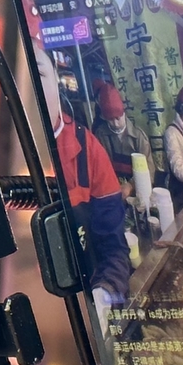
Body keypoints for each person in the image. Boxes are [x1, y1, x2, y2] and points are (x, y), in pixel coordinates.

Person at [43, 72, 131, 306]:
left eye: (40, 73)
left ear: (55, 78)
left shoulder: (88, 146)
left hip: (88, 295)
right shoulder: (0, 154)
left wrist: (106, 290)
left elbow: (114, 246)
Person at [92, 81, 150, 188]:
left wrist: (130, 186)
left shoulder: (138, 136)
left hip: (138, 187)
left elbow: (149, 169)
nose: (115, 123)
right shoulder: (101, 135)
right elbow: (100, 167)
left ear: (124, 113)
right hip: (112, 187)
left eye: (118, 118)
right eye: (110, 119)